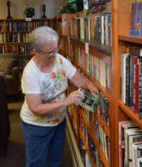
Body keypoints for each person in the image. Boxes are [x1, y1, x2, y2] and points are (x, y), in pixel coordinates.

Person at [20, 26, 98, 167]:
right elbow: (36, 108)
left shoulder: (59, 60)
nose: (55, 54)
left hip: (59, 122)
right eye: (50, 52)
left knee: (55, 160)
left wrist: (90, 85)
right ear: (36, 51)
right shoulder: (30, 73)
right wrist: (67, 101)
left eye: (56, 48)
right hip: (37, 126)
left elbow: (76, 78)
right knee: (36, 163)